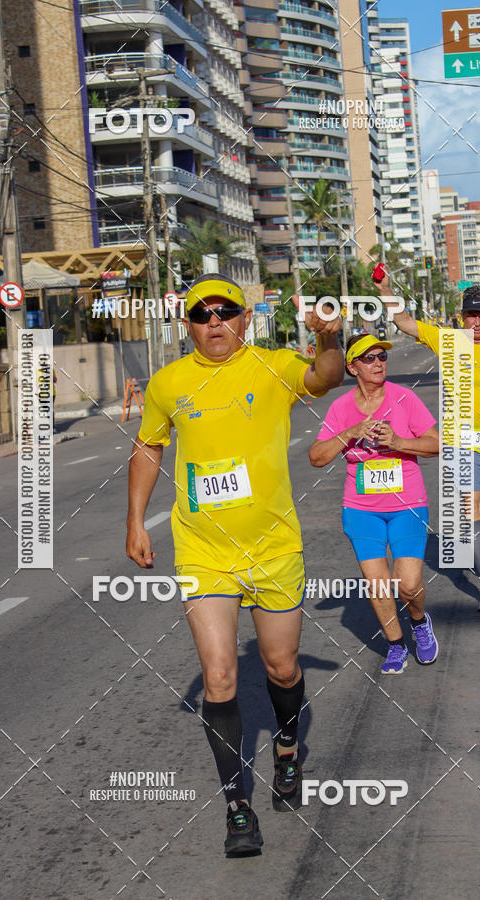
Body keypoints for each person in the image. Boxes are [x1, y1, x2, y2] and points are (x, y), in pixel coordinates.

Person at [126, 274, 343, 855]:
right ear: (187, 324)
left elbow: (325, 377)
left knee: (280, 667)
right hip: (204, 551)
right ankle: (237, 808)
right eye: (202, 315)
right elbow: (149, 446)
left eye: (225, 312)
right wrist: (134, 521)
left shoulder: (271, 368)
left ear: (245, 319)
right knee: (220, 676)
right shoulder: (169, 384)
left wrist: (330, 340)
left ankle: (288, 752)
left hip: (274, 549)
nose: (214, 322)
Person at [379, 278, 480, 611]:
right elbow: (404, 321)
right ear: (461, 316)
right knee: (471, 512)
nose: (475, 323)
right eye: (469, 315)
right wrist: (385, 289)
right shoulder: (449, 341)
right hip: (461, 443)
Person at [309, 333, 440, 674]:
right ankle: (395, 645)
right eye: (369, 358)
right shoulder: (341, 408)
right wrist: (350, 432)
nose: (379, 363)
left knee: (409, 583)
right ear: (352, 367)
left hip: (407, 503)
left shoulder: (404, 398)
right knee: (378, 583)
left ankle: (419, 621)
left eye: (382, 356)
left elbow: (436, 444)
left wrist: (398, 440)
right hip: (361, 509)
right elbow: (317, 457)